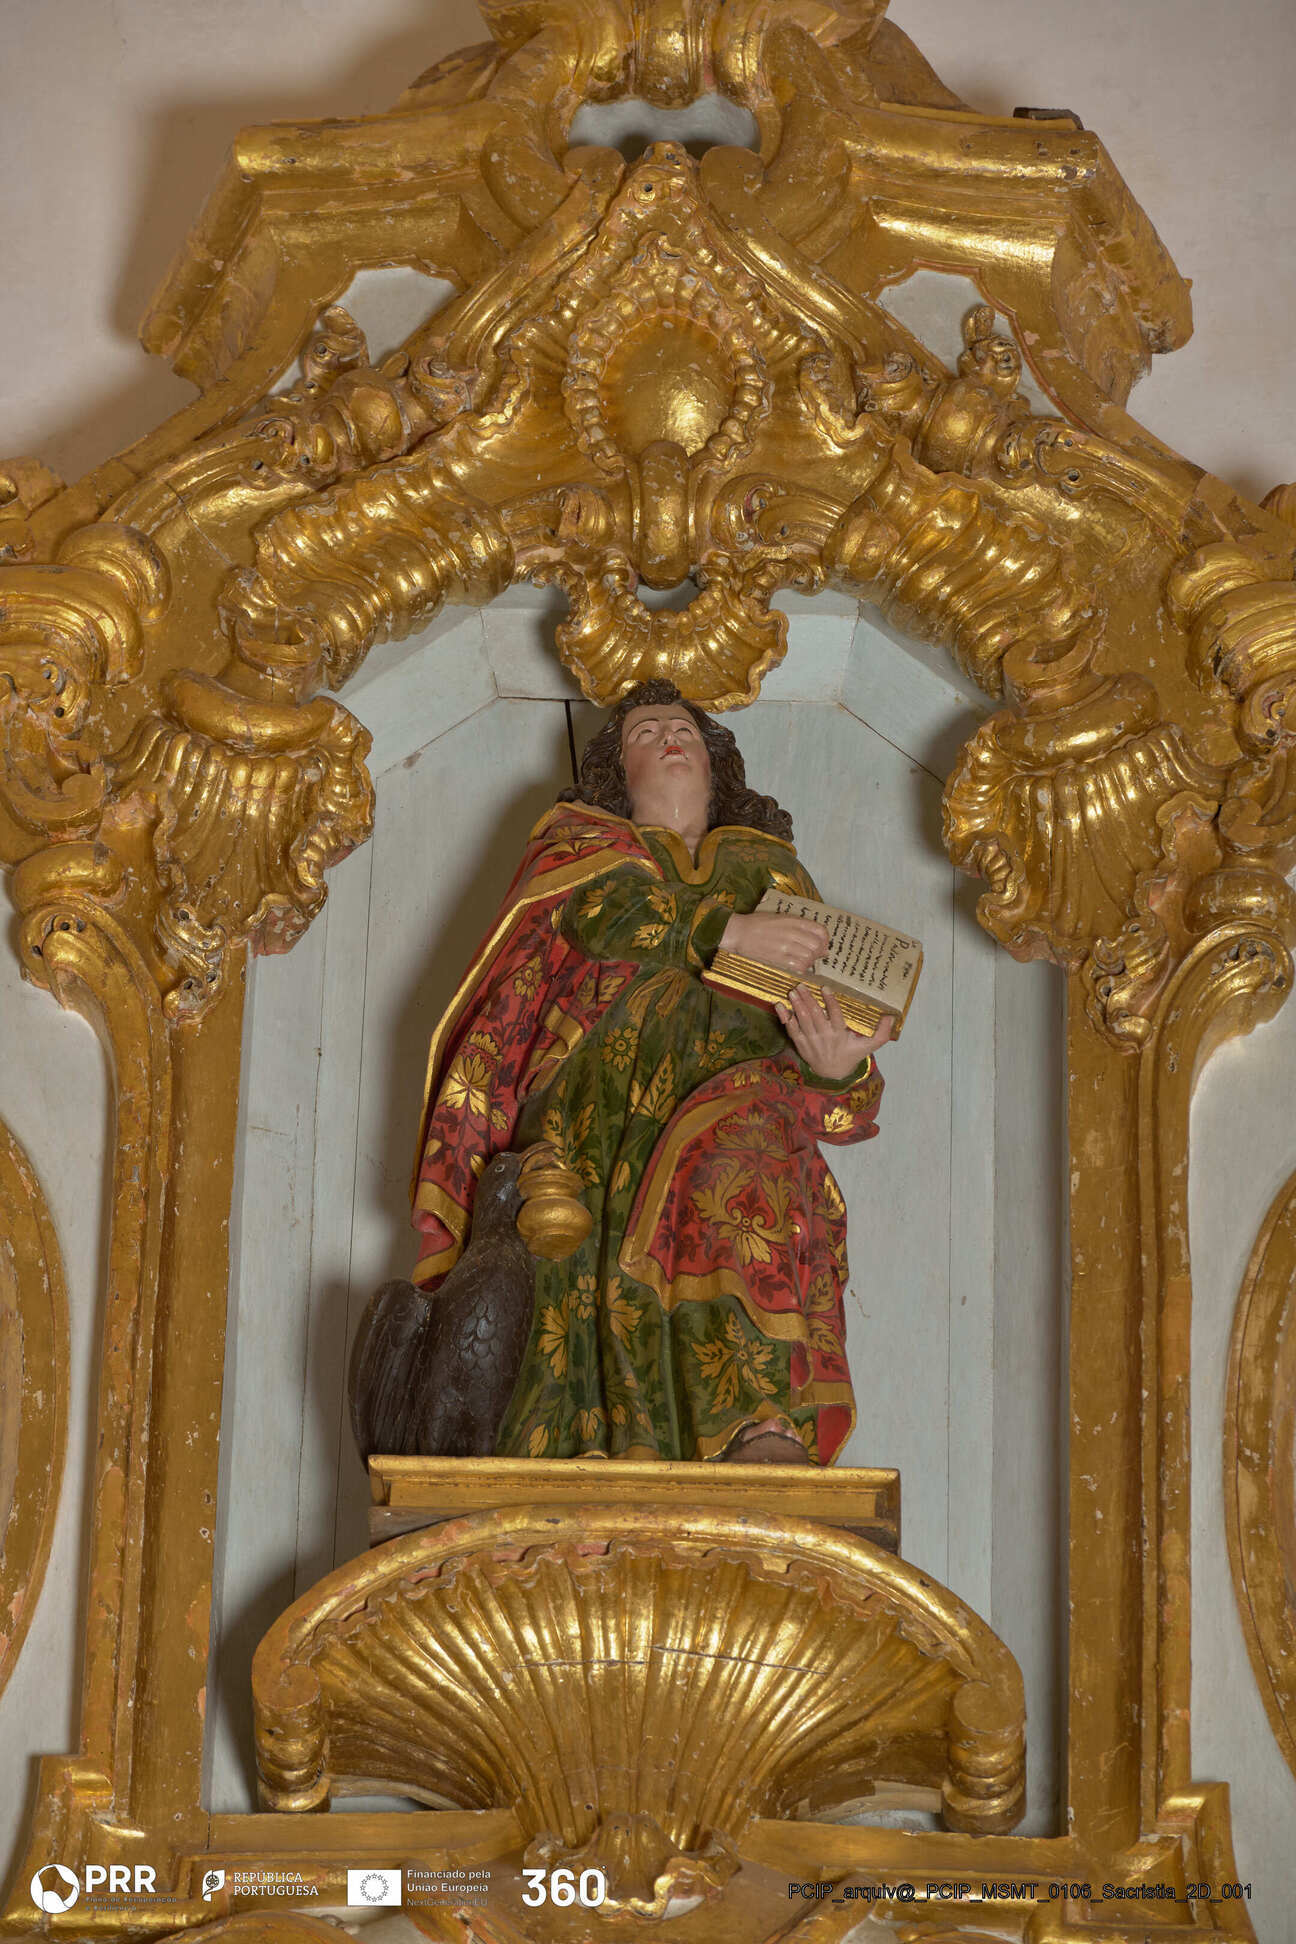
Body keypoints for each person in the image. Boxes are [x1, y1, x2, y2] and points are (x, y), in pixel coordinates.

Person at [410, 681, 892, 1464]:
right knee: (579, 1260)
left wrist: (838, 1069)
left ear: (715, 764)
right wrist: (728, 932)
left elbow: (824, 1026)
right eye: (646, 733)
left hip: (741, 1097)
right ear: (615, 772)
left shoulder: (774, 873)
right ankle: (587, 1444)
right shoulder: (582, 848)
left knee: (741, 1192)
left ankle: (753, 1422)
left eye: (685, 731)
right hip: (600, 1101)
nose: (670, 738)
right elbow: (606, 915)